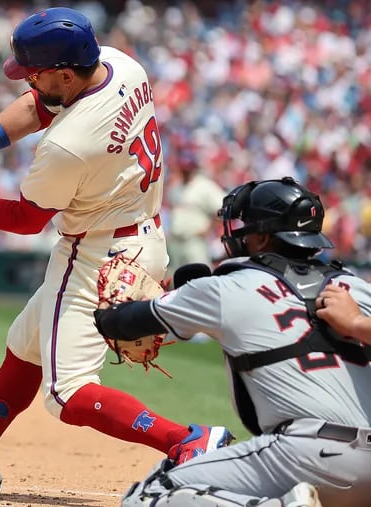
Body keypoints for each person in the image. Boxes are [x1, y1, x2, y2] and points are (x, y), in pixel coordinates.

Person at [0, 7, 232, 495]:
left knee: (66, 394)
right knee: (23, 348)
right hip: (139, 235)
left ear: (66, 73)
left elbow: (25, 220)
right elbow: (39, 104)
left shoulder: (69, 146)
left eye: (36, 72)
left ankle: (188, 441)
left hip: (96, 254)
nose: (29, 80)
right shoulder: (120, 64)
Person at [94, 177, 371, 506]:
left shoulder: (226, 287)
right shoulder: (356, 288)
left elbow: (122, 324)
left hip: (304, 453)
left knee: (148, 497)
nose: (237, 233)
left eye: (246, 226)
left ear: (262, 237)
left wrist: (108, 309)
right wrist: (356, 323)